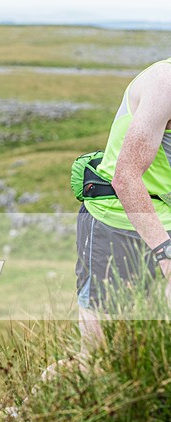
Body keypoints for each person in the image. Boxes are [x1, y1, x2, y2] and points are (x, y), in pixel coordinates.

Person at [49, 58, 171, 382]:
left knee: (150, 357)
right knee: (97, 361)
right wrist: (165, 254)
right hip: (116, 226)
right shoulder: (165, 83)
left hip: (165, 224)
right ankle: (27, 416)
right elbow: (126, 177)